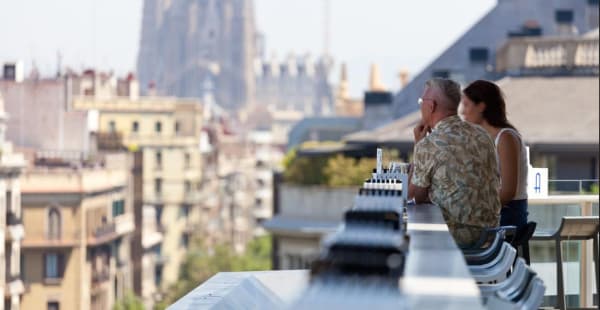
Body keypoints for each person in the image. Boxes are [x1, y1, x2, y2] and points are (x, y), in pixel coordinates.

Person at [408, 78, 502, 248]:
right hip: (492, 237)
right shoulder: (482, 135)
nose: (420, 106)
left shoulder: (429, 144)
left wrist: (418, 146)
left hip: (455, 238)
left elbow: (414, 196)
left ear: (431, 106)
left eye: (421, 101)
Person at [461, 80, 528, 230]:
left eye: (466, 105)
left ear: (481, 106)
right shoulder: (483, 139)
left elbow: (508, 191)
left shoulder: (506, 137)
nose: (462, 111)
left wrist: (476, 211)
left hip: (507, 215)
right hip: (496, 213)